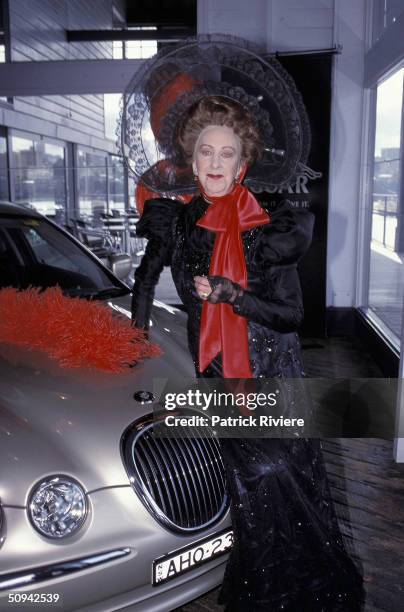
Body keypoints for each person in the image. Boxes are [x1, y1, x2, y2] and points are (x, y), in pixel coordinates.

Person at [131, 95, 365, 611]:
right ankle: (264, 592)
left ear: (243, 163)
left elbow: (290, 316)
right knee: (249, 490)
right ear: (191, 160)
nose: (215, 164)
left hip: (273, 371)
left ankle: (309, 590)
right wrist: (136, 335)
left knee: (284, 477)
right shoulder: (176, 221)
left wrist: (231, 294)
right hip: (217, 373)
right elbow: (143, 283)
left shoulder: (266, 225)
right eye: (206, 152)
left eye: (227, 154)